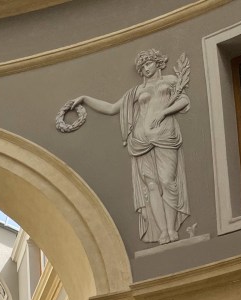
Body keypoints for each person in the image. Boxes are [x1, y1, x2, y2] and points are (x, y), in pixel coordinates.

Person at [71, 49, 190, 245]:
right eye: (142, 66)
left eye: (148, 63)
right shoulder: (136, 92)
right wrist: (85, 99)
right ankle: (162, 231)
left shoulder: (169, 80)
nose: (145, 68)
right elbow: (111, 108)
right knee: (151, 185)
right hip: (141, 140)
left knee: (168, 181)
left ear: (157, 63)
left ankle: (171, 227)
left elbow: (184, 99)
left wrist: (164, 113)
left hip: (165, 135)